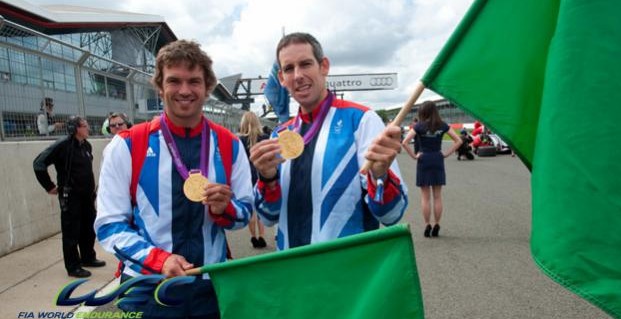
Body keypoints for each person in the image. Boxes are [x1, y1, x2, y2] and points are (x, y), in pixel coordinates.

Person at [95, 40, 253, 318]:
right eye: (174, 81)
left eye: (194, 81)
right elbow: (109, 226)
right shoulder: (127, 145)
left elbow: (244, 214)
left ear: (207, 88)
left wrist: (224, 209)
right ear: (160, 86)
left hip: (209, 284)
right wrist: (160, 259)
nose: (184, 90)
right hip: (145, 286)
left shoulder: (230, 145)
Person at [250, 32, 408, 251]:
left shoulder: (361, 120)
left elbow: (392, 214)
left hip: (346, 271)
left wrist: (380, 175)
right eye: (288, 68)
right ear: (281, 79)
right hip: (292, 271)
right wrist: (267, 178)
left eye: (305, 64)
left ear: (323, 66)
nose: (297, 75)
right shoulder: (279, 135)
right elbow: (268, 217)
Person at [33, 115, 105, 278]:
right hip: (70, 196)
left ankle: (88, 257)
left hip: (87, 196)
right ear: (75, 129)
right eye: (85, 126)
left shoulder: (86, 145)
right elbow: (39, 164)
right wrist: (49, 186)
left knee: (88, 228)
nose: (88, 129)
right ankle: (73, 266)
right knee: (72, 231)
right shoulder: (63, 145)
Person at [402, 101, 462, 237]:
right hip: (437, 158)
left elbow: (404, 142)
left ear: (422, 112)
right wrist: (446, 153)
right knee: (437, 196)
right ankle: (437, 224)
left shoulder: (418, 126)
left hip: (423, 159)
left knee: (425, 197)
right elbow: (458, 140)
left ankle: (427, 224)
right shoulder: (442, 125)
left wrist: (414, 156)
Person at [238, 111, 269, 249]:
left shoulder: (239, 140)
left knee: (251, 210)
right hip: (261, 174)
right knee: (260, 207)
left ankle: (253, 237)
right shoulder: (265, 138)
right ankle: (262, 236)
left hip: (246, 176)